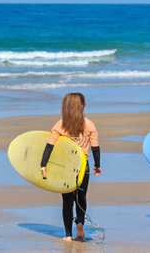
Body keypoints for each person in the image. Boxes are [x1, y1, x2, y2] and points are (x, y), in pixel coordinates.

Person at [40, 93, 103, 242]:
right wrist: (97, 166)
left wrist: (43, 165)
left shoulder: (60, 124)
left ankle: (68, 235)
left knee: (67, 201)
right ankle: (80, 223)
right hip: (83, 166)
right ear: (82, 106)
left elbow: (49, 147)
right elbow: (95, 148)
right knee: (81, 198)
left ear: (65, 107)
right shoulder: (89, 124)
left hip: (65, 167)